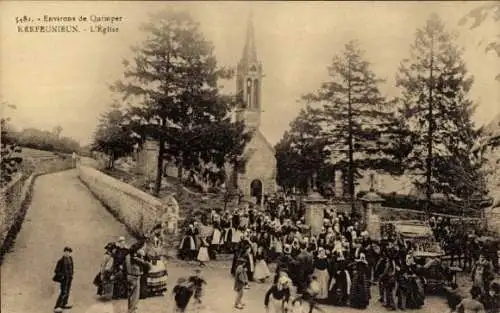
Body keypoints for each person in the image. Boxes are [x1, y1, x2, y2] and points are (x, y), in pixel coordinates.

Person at [125, 241, 150, 313]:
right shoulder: (136, 258)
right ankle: (132, 311)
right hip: (135, 277)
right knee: (135, 296)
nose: (142, 250)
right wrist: (144, 256)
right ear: (137, 250)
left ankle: (130, 310)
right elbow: (147, 266)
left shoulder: (128, 256)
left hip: (129, 276)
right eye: (140, 249)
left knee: (130, 295)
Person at [53, 246, 74, 313]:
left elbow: (72, 268)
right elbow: (56, 270)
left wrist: (71, 275)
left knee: (67, 291)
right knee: (63, 292)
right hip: (64, 279)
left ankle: (64, 304)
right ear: (64, 252)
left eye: (69, 252)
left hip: (69, 278)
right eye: (66, 252)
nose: (67, 253)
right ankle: (57, 306)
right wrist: (62, 276)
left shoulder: (70, 259)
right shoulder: (61, 261)